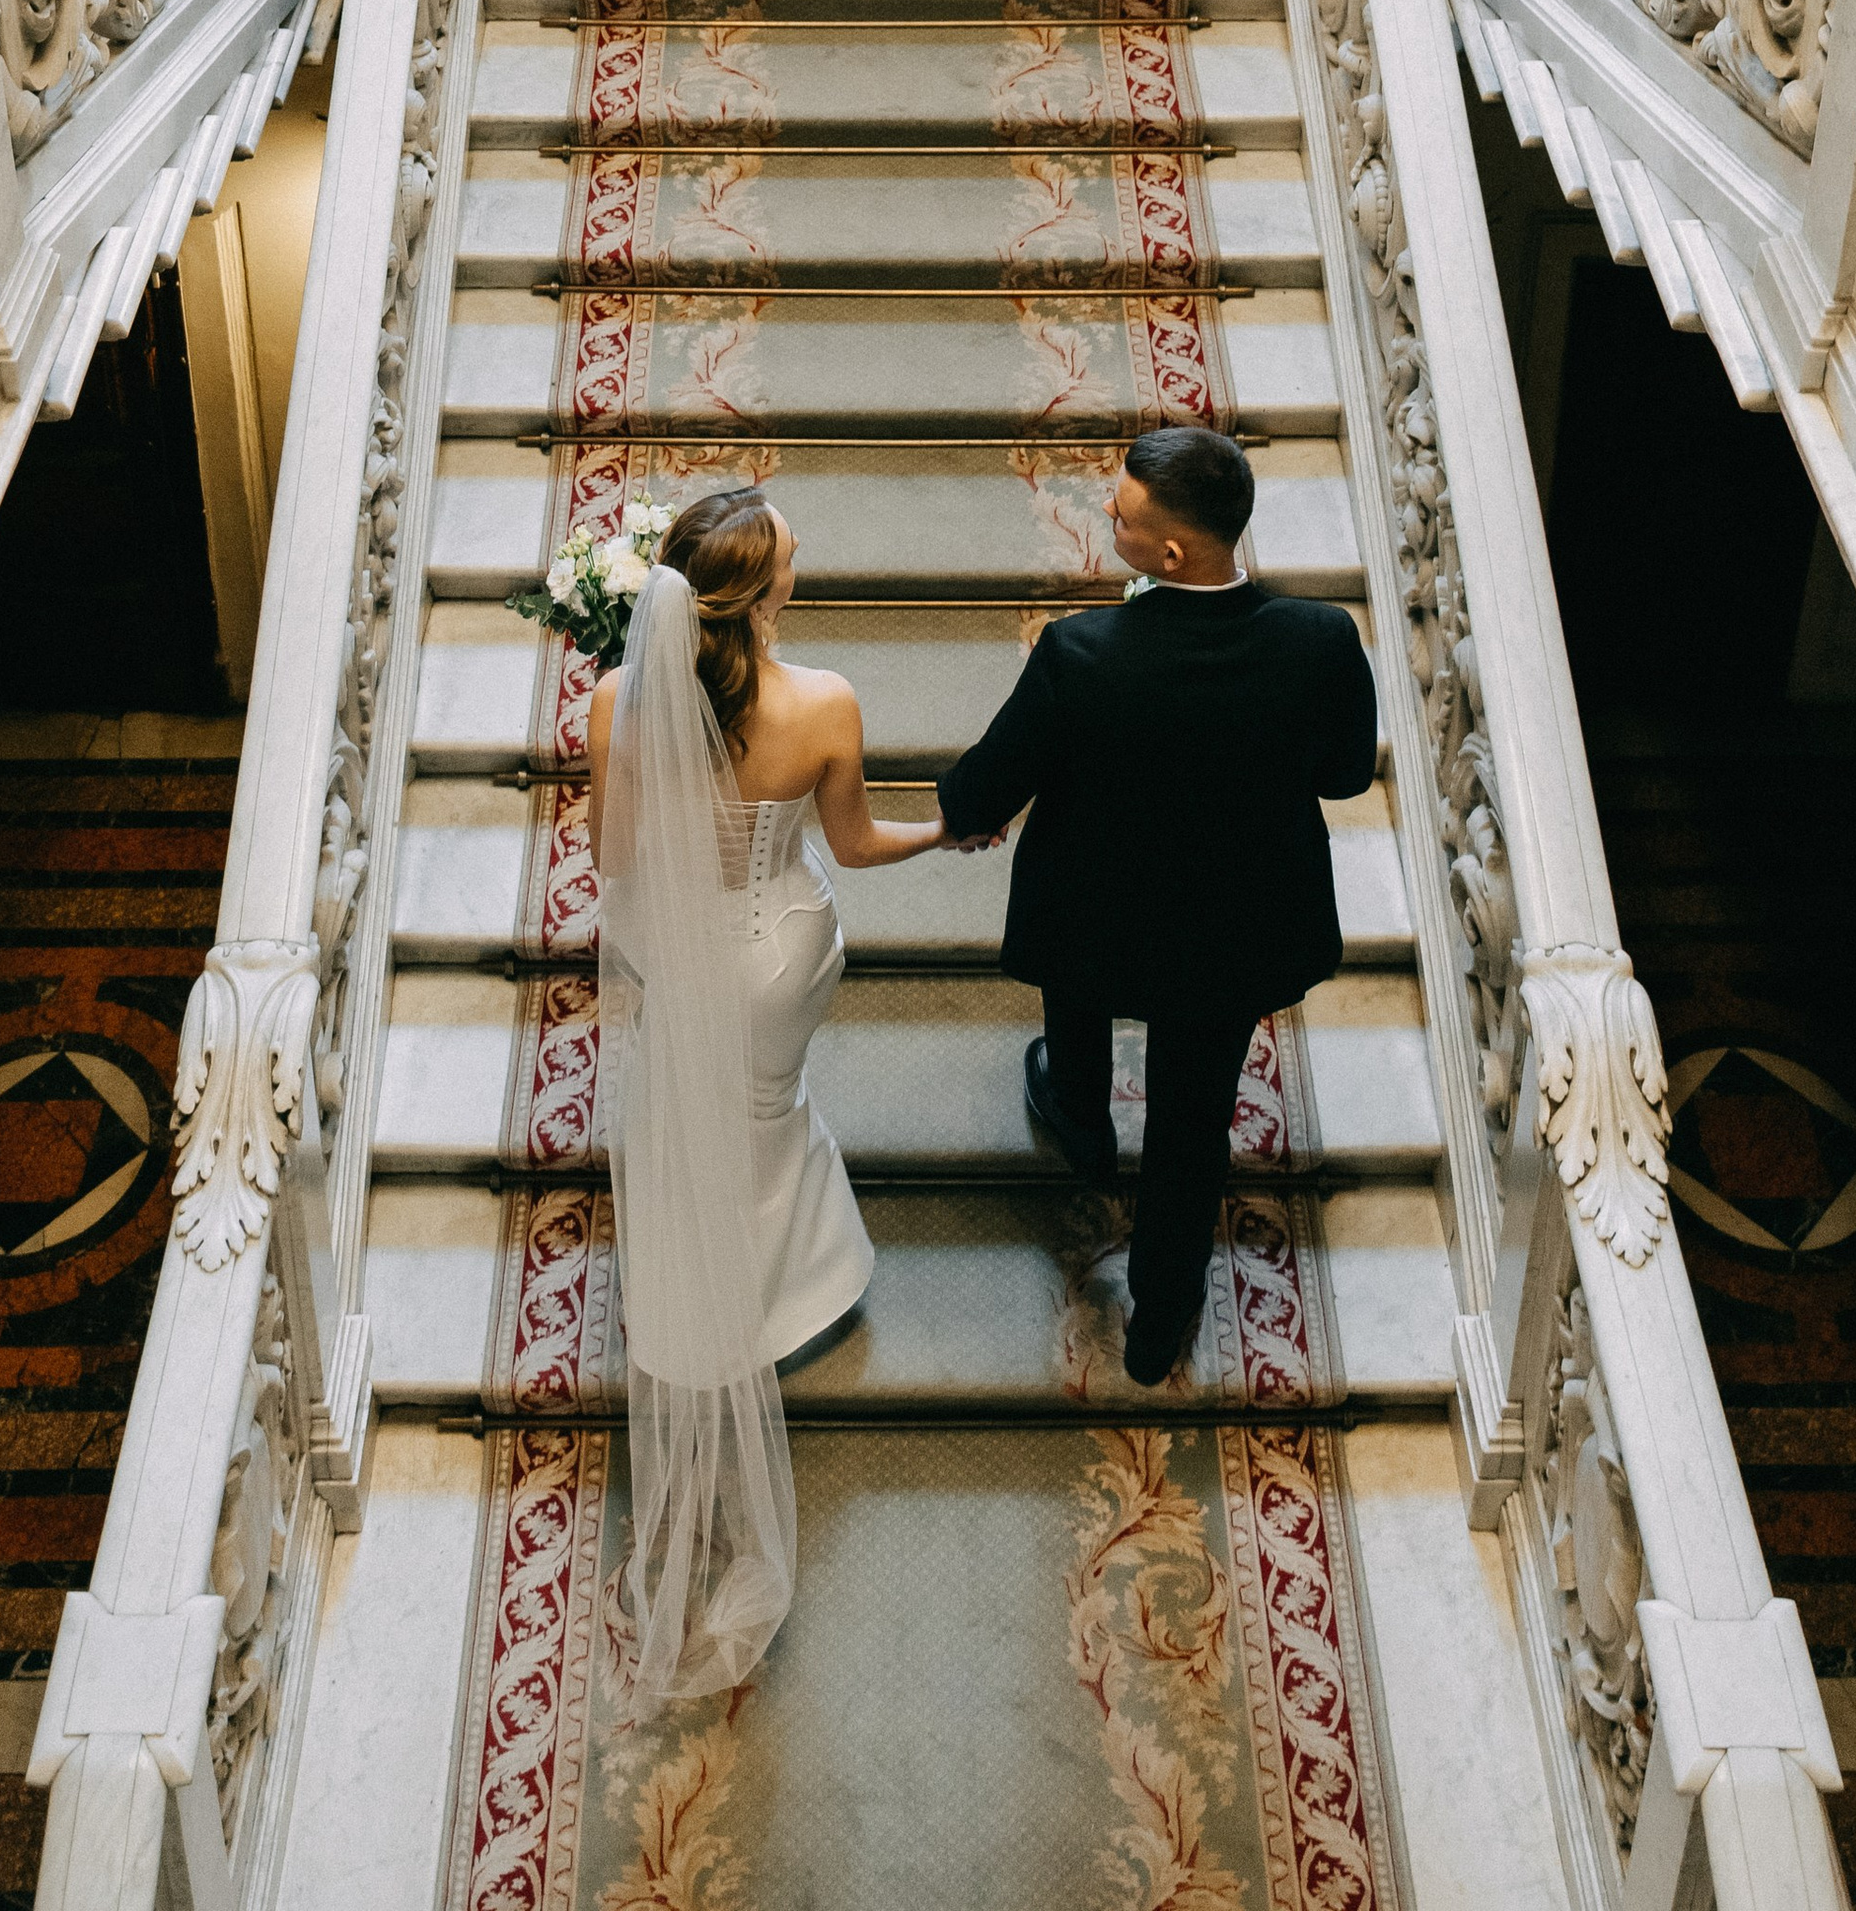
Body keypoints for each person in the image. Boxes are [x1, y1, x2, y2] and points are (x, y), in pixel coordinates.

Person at [585, 483, 947, 1716]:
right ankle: (793, 1285)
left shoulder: (612, 703)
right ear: (766, 593)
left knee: (696, 1127)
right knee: (770, 1118)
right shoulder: (823, 703)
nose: (807, 556)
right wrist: (948, 830)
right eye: (795, 550)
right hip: (780, 953)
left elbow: (620, 862)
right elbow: (849, 846)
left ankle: (711, 1290)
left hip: (684, 953)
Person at [937, 422, 1379, 1386]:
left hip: (1096, 909)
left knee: (1078, 1004)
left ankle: (1081, 1120)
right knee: (1192, 1126)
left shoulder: (1081, 653)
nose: (1106, 512)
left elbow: (978, 796)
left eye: (1123, 513)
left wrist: (967, 817)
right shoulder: (1322, 639)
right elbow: (1345, 776)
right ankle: (1159, 1320)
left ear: (1170, 552)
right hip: (1234, 927)